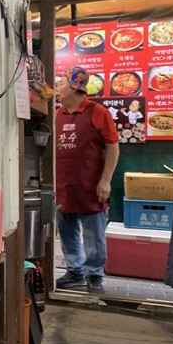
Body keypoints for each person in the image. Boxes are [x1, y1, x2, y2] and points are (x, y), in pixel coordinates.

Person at [55, 66, 120, 294]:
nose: (57, 88)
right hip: (63, 186)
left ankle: (94, 274)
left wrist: (106, 180)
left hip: (91, 186)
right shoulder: (57, 114)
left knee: (94, 234)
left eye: (61, 83)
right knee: (67, 231)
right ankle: (74, 271)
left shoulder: (97, 111)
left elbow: (113, 148)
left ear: (75, 87)